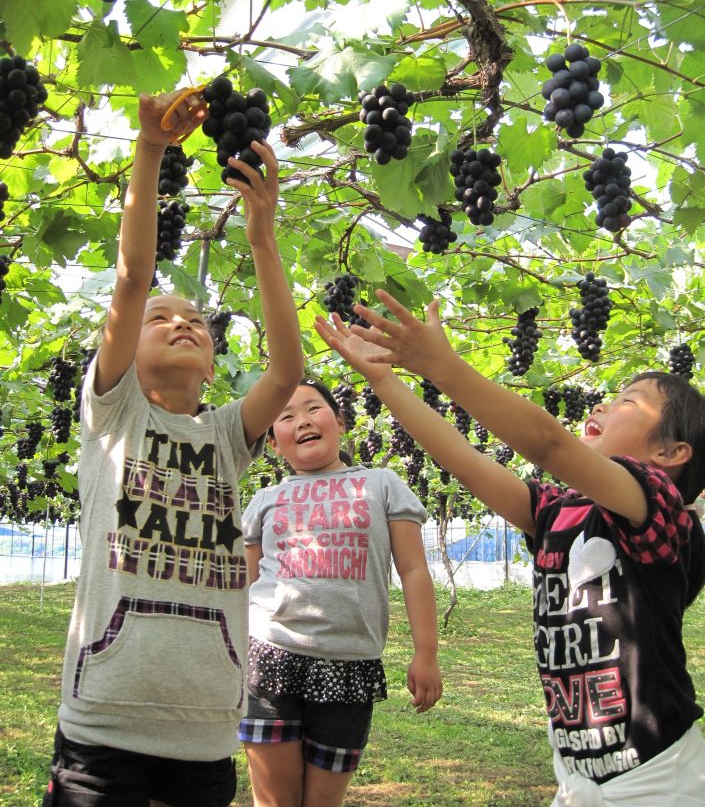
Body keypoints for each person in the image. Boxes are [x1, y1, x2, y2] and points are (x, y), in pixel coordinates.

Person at [315, 292, 705, 807]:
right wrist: (384, 382)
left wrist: (443, 367)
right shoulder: (558, 512)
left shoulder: (659, 509)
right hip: (575, 772)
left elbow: (549, 445)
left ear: (669, 453)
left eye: (628, 401)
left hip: (657, 776)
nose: (602, 405)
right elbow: (465, 460)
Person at [44, 90, 304, 807]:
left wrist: (262, 237)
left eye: (195, 319)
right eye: (161, 318)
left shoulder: (227, 436)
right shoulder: (114, 412)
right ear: (129, 345)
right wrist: (150, 149)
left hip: (206, 726)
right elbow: (132, 277)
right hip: (104, 719)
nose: (181, 322)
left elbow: (287, 372)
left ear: (216, 363)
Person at [238, 377, 443, 807]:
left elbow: (413, 570)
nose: (302, 421)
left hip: (350, 663)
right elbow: (244, 585)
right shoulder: (263, 499)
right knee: (275, 802)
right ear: (273, 443)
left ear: (341, 422)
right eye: (286, 416)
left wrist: (426, 652)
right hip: (268, 652)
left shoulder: (383, 484)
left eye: (313, 408)